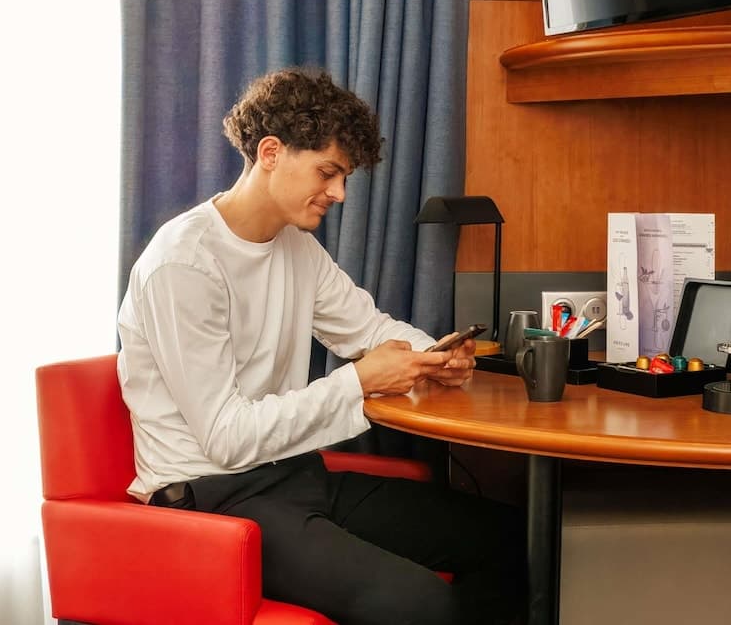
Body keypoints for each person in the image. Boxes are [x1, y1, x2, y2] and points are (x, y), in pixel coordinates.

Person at [117, 67, 526, 625]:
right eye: (328, 173)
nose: (339, 193)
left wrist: (434, 355)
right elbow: (226, 439)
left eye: (343, 177)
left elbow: (369, 328)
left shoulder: (296, 248)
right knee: (421, 602)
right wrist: (359, 381)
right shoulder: (183, 264)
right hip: (213, 500)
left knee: (509, 538)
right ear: (270, 152)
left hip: (291, 476)